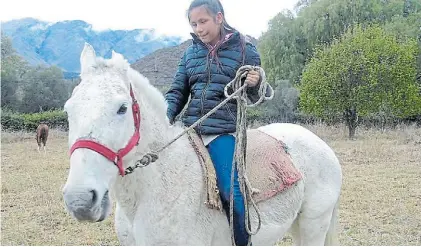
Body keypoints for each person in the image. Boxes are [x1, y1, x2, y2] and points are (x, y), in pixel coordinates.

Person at [165, 0, 267, 245]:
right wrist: (164, 119)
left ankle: (243, 242)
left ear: (219, 18)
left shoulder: (245, 49)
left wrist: (254, 83)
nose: (199, 28)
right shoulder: (190, 53)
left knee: (232, 194)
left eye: (203, 21)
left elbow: (256, 97)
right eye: (193, 24)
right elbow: (177, 92)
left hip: (222, 130)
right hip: (189, 129)